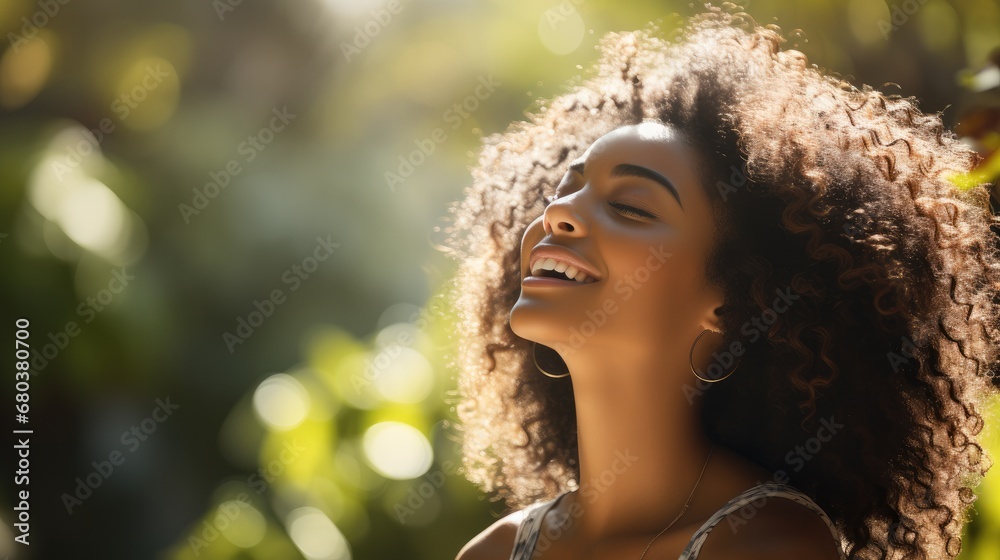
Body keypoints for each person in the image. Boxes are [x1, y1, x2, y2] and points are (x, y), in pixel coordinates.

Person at [442, 5, 1000, 559]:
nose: (559, 214)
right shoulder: (493, 551)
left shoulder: (767, 545)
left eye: (633, 208)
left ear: (727, 306)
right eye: (567, 189)